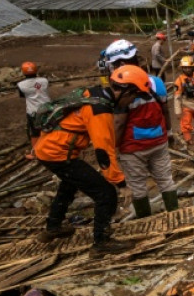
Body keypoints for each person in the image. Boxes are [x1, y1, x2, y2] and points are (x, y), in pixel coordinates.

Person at [32, 74, 132, 255]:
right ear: (125, 92)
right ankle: (101, 242)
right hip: (57, 154)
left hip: (47, 148)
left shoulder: (94, 93)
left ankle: (53, 227)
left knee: (69, 184)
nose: (131, 102)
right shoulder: (100, 110)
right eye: (133, 96)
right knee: (105, 193)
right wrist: (120, 183)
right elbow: (104, 152)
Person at [110, 64, 177, 219]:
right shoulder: (157, 85)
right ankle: (175, 215)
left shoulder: (124, 100)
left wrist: (113, 147)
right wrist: (169, 132)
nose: (115, 91)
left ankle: (145, 221)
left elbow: (119, 124)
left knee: (138, 186)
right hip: (159, 141)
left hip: (133, 148)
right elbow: (165, 110)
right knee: (166, 180)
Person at [18, 61, 51, 160]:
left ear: (23, 72)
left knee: (34, 132)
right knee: (49, 128)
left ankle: (35, 153)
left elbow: (22, 96)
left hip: (33, 111)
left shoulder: (21, 85)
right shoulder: (44, 80)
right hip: (47, 108)